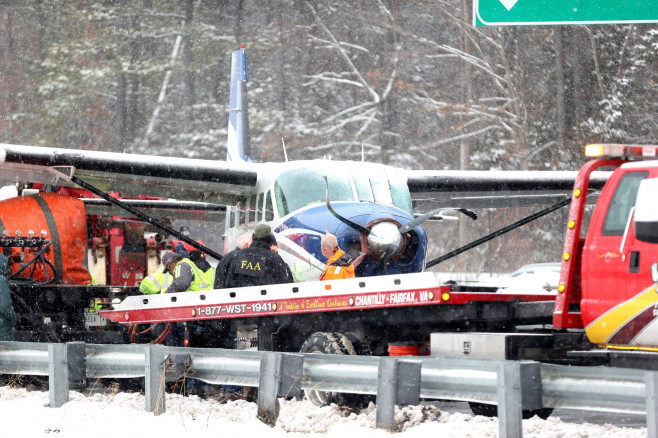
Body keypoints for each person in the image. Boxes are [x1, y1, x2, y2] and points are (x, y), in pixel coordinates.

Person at [222, 224, 292, 288]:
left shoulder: (238, 256)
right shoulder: (274, 258)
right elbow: (284, 286)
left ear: (253, 237)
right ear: (269, 239)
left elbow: (229, 283)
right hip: (267, 300)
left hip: (241, 299)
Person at [0, 254, 17, 341]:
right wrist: (13, 320)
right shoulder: (1, 281)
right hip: (2, 330)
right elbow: (5, 305)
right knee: (7, 351)